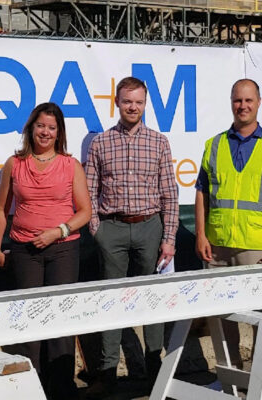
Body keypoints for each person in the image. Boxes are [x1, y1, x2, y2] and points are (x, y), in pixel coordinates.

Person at [84, 77, 179, 397]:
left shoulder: (159, 142)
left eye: (138, 102)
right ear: (117, 102)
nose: (133, 107)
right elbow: (89, 190)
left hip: (150, 228)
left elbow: (170, 194)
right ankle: (108, 372)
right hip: (111, 230)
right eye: (127, 101)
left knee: (151, 300)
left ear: (145, 103)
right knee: (112, 301)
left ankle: (155, 368)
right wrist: (97, 229)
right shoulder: (100, 143)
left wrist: (169, 238)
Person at [0, 102, 91, 399]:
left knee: (59, 322)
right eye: (40, 126)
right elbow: (0, 209)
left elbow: (84, 212)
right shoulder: (15, 163)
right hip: (23, 252)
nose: (45, 132)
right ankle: (26, 389)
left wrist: (57, 232)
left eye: (51, 127)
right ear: (31, 128)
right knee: (27, 322)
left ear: (58, 132)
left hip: (62, 251)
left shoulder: (70, 165)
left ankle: (61, 389)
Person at [194, 78, 262, 367]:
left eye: (249, 100)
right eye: (238, 100)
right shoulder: (214, 145)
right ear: (231, 103)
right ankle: (230, 378)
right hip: (218, 247)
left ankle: (260, 381)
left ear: (259, 103)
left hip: (257, 248)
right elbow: (202, 192)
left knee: (261, 318)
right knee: (222, 318)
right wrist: (201, 234)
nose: (243, 106)